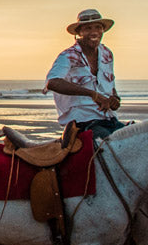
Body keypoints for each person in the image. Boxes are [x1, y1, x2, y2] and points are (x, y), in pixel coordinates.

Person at [45, 8, 126, 145]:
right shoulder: (68, 56)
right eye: (88, 28)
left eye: (98, 27)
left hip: (109, 119)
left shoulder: (107, 54)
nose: (94, 32)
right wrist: (92, 94)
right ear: (79, 32)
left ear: (103, 30)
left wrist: (114, 100)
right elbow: (52, 82)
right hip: (82, 122)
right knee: (110, 146)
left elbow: (110, 88)